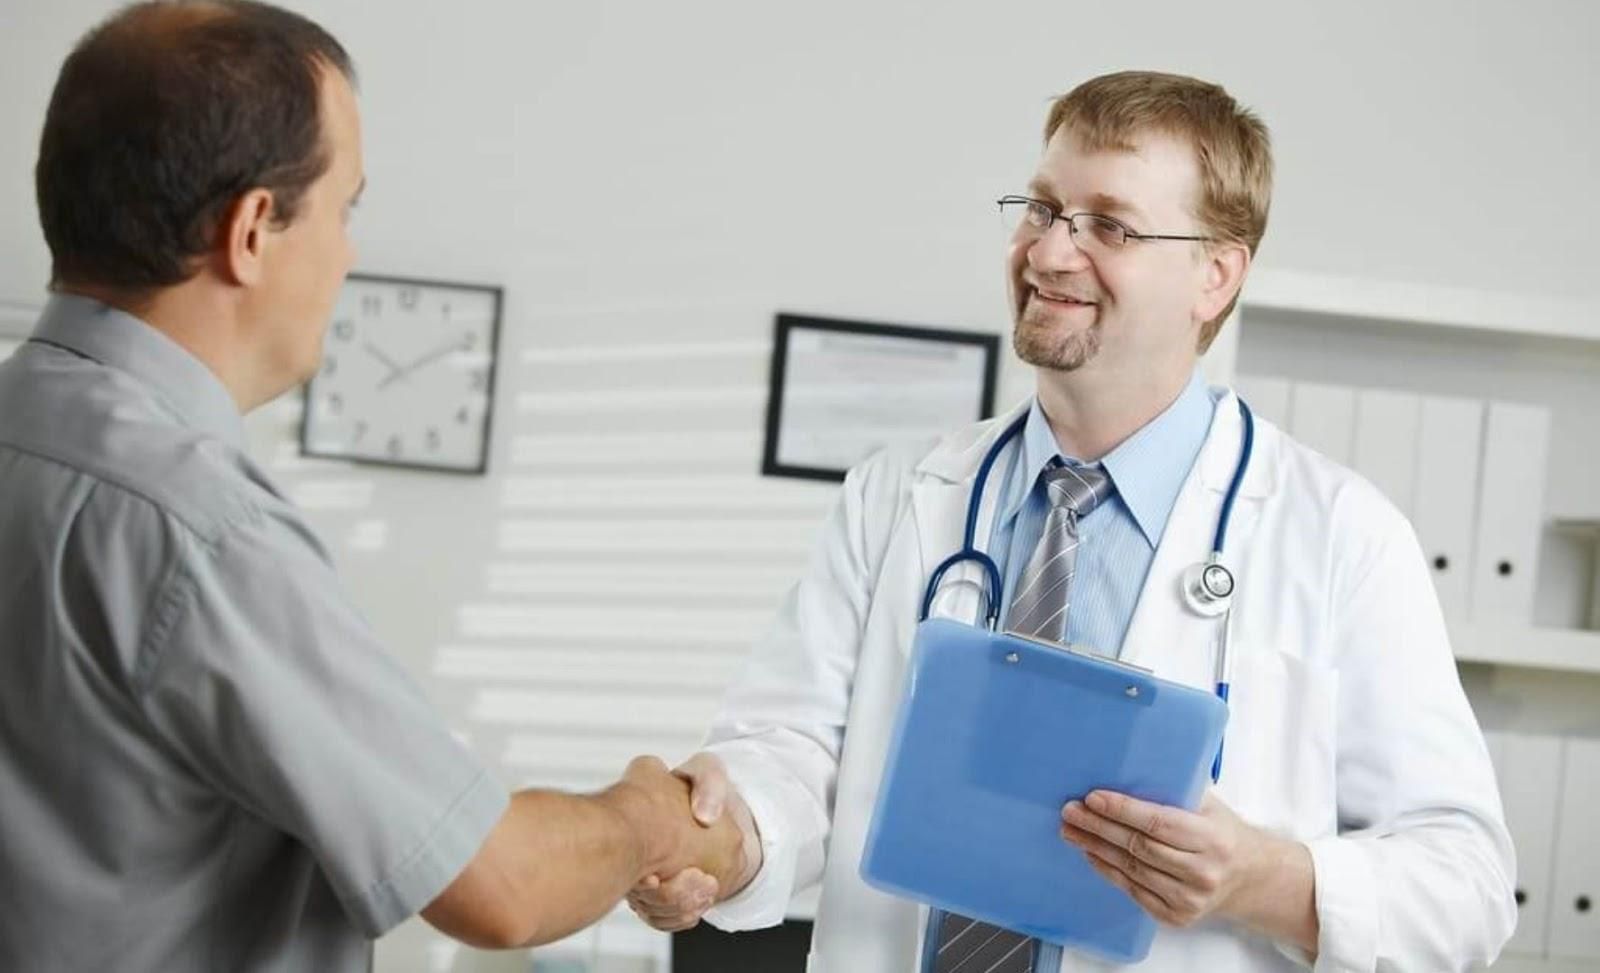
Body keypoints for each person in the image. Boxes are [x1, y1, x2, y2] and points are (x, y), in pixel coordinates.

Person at [627, 71, 1518, 971]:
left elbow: (1469, 886)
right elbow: (793, 756)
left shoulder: (1342, 537)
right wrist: (722, 838)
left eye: (1110, 226)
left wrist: (1261, 877)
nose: (1049, 253)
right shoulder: (900, 493)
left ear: (1215, 274)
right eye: (1043, 209)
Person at [0, 3, 743, 970]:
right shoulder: (195, 525)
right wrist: (648, 812)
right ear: (254, 230)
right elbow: (501, 887)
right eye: (344, 209)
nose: (349, 254)